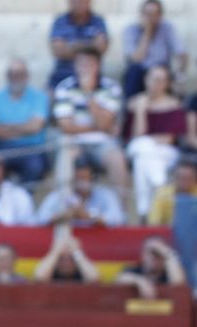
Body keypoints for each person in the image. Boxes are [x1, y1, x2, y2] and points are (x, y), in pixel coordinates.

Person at [53, 48, 128, 194]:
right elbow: (66, 127)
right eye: (81, 63)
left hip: (103, 143)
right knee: (65, 154)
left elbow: (104, 124)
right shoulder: (64, 87)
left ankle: (120, 214)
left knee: (117, 160)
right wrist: (100, 127)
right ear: (75, 65)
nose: (85, 67)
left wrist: (88, 95)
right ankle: (66, 207)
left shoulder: (111, 88)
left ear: (98, 65)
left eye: (89, 63)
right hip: (74, 142)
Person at [126, 64, 184, 220]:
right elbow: (136, 135)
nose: (156, 83)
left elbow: (169, 139)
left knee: (142, 158)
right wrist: (140, 110)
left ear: (167, 83)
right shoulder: (136, 103)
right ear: (146, 79)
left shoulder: (173, 104)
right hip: (141, 149)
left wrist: (147, 139)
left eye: (160, 80)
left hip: (165, 152)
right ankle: (160, 189)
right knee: (143, 148)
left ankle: (143, 210)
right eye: (153, 79)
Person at [0, 59, 53, 185]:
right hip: (0, 147)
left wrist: (4, 128)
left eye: (20, 74)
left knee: (35, 167)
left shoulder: (39, 97)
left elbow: (35, 127)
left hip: (31, 149)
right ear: (7, 76)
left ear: (27, 76)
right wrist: (23, 130)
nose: (15, 78)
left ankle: (24, 202)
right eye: (12, 74)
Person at [122, 0, 186, 100]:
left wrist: (180, 75)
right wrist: (147, 33)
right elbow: (136, 59)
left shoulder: (167, 28)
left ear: (160, 16)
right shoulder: (130, 30)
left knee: (171, 80)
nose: (151, 18)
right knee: (133, 72)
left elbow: (181, 53)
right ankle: (131, 109)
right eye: (148, 14)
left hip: (162, 69)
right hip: (140, 72)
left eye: (155, 14)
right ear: (141, 15)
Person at [37, 156, 126, 226]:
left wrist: (88, 216)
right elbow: (40, 218)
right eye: (77, 179)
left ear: (93, 179)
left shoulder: (105, 195)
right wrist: (63, 216)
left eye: (84, 179)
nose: (80, 184)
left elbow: (118, 219)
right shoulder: (60, 195)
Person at [49, 0, 109, 89]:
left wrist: (71, 46)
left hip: (92, 77)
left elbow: (101, 48)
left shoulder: (98, 21)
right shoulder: (60, 21)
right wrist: (90, 46)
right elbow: (58, 51)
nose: (79, 3)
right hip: (63, 74)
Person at [115, 234, 187, 297]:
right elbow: (119, 279)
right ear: (143, 255)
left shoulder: (169, 274)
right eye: (150, 252)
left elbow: (179, 286)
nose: (153, 257)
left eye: (158, 253)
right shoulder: (135, 270)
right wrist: (140, 281)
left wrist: (168, 254)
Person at [33, 227, 101, 281]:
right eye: (62, 258)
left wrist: (77, 252)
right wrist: (56, 251)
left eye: (71, 258)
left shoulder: (82, 273)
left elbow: (94, 278)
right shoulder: (51, 273)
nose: (66, 263)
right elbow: (39, 277)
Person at [147, 153, 197, 225]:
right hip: (169, 234)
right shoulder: (162, 195)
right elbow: (154, 223)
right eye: (182, 178)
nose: (185, 182)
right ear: (174, 177)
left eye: (189, 178)